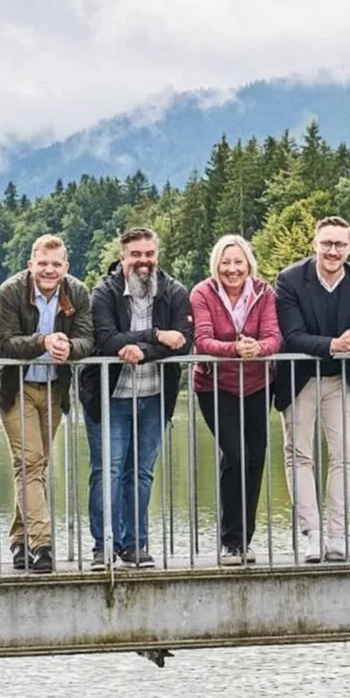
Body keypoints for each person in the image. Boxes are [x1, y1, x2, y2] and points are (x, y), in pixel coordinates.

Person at [81, 227, 193, 569]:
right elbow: (107, 341)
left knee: (141, 473)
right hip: (110, 396)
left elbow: (184, 342)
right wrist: (156, 335)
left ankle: (135, 544)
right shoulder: (104, 291)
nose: (143, 261)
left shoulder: (174, 291)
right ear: (123, 257)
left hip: (154, 396)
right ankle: (104, 546)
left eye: (149, 254)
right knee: (108, 472)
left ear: (156, 255)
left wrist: (143, 351)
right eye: (136, 255)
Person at [274, 217, 350, 563]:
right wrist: (336, 344)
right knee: (298, 455)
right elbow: (293, 336)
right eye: (326, 244)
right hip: (300, 378)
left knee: (344, 456)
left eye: (339, 245)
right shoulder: (290, 279)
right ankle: (313, 535)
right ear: (315, 245)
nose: (333, 251)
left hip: (343, 379)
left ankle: (338, 536)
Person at [0, 234, 94, 572]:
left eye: (56, 264)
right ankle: (43, 545)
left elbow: (88, 338)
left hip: (53, 389)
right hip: (16, 387)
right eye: (43, 263)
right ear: (30, 265)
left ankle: (20, 541)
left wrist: (71, 348)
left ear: (66, 266)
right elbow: (6, 342)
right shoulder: (10, 291)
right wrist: (44, 342)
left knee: (36, 467)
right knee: (29, 462)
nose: (49, 270)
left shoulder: (77, 292)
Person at [191, 234, 282, 565]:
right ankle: (230, 541)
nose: (232, 269)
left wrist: (258, 348)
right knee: (235, 455)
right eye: (225, 262)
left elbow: (274, 336)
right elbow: (202, 340)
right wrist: (235, 349)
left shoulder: (264, 292)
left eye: (238, 262)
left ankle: (245, 540)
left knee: (254, 459)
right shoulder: (202, 293)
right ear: (216, 265)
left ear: (249, 265)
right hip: (215, 386)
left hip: (258, 384)